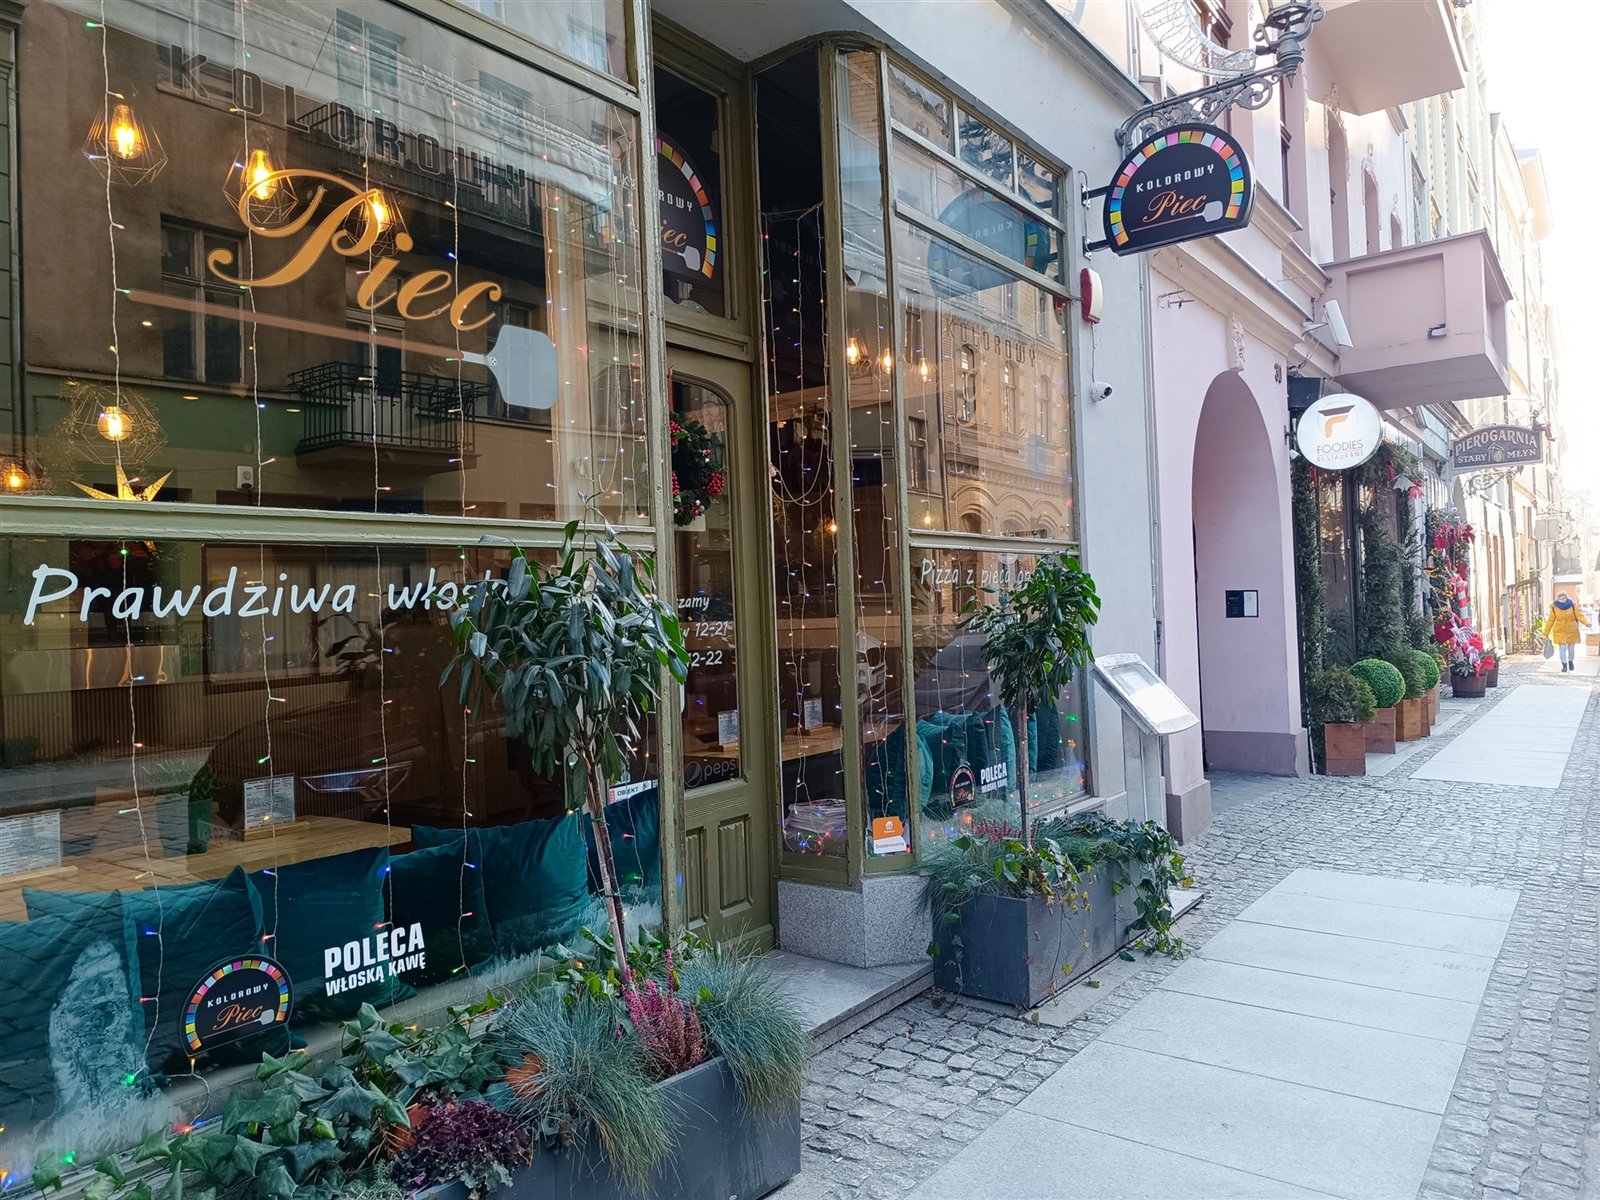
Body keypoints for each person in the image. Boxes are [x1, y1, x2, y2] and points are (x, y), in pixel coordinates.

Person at [1544, 591, 1591, 672]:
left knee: (1571, 648)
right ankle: (1564, 665)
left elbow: (1579, 616)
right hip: (1560, 630)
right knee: (1562, 648)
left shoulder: (1572, 606)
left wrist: (1587, 623)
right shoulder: (1554, 608)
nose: (1562, 600)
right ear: (1557, 599)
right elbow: (1550, 621)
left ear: (1566, 598)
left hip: (1572, 629)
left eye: (1563, 598)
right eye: (1560, 599)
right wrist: (1546, 632)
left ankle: (1571, 661)